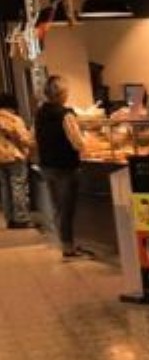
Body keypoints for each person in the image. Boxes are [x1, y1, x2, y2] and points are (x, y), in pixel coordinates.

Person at [35, 75, 90, 259]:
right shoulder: (65, 114)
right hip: (66, 166)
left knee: (58, 207)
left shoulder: (40, 113)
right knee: (67, 208)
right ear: (61, 94)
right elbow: (78, 142)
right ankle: (68, 247)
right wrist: (87, 144)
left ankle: (65, 243)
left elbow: (34, 138)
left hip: (47, 166)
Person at [0, 93, 35, 228]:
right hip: (15, 156)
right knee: (18, 187)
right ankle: (21, 218)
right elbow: (24, 139)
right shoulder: (14, 120)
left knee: (5, 188)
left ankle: (9, 218)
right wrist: (32, 143)